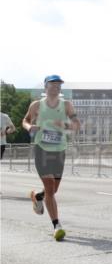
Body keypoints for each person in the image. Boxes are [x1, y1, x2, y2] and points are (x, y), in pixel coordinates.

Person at [22, 75, 82, 241]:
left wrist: (66, 125)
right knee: (49, 187)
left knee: (53, 190)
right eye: (53, 84)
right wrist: (30, 127)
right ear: (46, 87)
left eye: (58, 85)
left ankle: (37, 196)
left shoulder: (67, 105)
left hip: (59, 150)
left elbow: (77, 124)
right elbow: (25, 120)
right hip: (42, 149)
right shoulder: (37, 105)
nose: (56, 87)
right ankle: (57, 225)